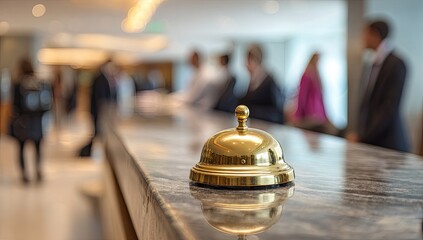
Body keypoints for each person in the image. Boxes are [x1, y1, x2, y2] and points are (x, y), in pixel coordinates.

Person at [347, 19, 410, 152]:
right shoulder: (371, 63)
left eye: (364, 34)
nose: (362, 38)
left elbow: (389, 108)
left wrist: (364, 137)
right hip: (373, 142)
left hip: (389, 144)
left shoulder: (397, 64)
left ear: (375, 35)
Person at [9, 58, 52, 183]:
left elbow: (15, 105)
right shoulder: (40, 83)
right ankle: (38, 170)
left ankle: (24, 174)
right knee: (37, 148)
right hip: (37, 123)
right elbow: (47, 104)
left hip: (23, 122)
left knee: (21, 148)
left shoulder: (18, 84)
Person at [78, 60, 117, 157]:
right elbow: (100, 98)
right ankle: (91, 152)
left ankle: (91, 151)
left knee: (96, 132)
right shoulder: (101, 79)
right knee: (97, 131)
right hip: (98, 111)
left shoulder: (101, 78)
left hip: (97, 111)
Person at [239, 44, 284, 123]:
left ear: (256, 60)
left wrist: (252, 112)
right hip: (256, 123)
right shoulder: (253, 79)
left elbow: (277, 111)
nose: (246, 64)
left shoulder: (269, 81)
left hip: (268, 125)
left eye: (249, 61)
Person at [291, 53, 335, 134]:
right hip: (310, 114)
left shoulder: (316, 74)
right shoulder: (308, 75)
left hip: (317, 114)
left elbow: (320, 98)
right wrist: (298, 115)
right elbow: (302, 96)